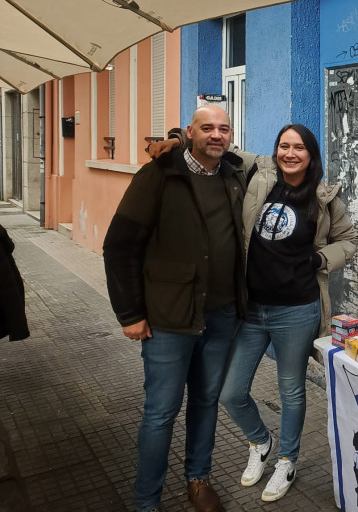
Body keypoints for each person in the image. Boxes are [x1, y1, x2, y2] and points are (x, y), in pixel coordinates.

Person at [154, 122, 357, 502]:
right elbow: (218, 146)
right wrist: (178, 139)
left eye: (299, 148)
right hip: (252, 307)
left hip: (297, 310)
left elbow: (349, 240)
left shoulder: (325, 198)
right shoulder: (260, 172)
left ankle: (286, 460)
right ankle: (261, 442)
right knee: (231, 392)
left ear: (311, 155)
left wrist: (318, 258)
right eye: (284, 146)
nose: (290, 154)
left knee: (291, 390)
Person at [104, 105, 246, 512]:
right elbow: (119, 246)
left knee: (205, 403)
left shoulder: (235, 175)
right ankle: (147, 501)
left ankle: (198, 480)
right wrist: (130, 313)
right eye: (206, 128)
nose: (215, 135)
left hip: (220, 316)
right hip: (169, 319)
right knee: (161, 412)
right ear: (189, 131)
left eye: (223, 128)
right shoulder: (158, 176)